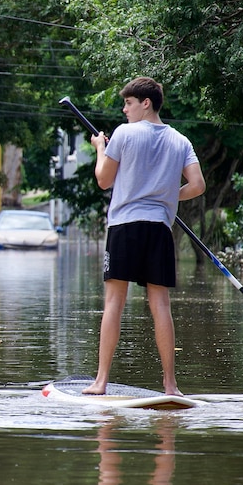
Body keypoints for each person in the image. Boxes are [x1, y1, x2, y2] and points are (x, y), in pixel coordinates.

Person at [82, 77, 206, 396]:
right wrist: (165, 196)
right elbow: (198, 185)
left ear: (145, 103)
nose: (124, 110)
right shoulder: (180, 141)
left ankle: (100, 382)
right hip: (159, 229)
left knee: (114, 303)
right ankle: (170, 385)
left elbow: (103, 180)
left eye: (128, 103)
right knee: (160, 305)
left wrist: (100, 149)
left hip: (125, 226)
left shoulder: (123, 134)